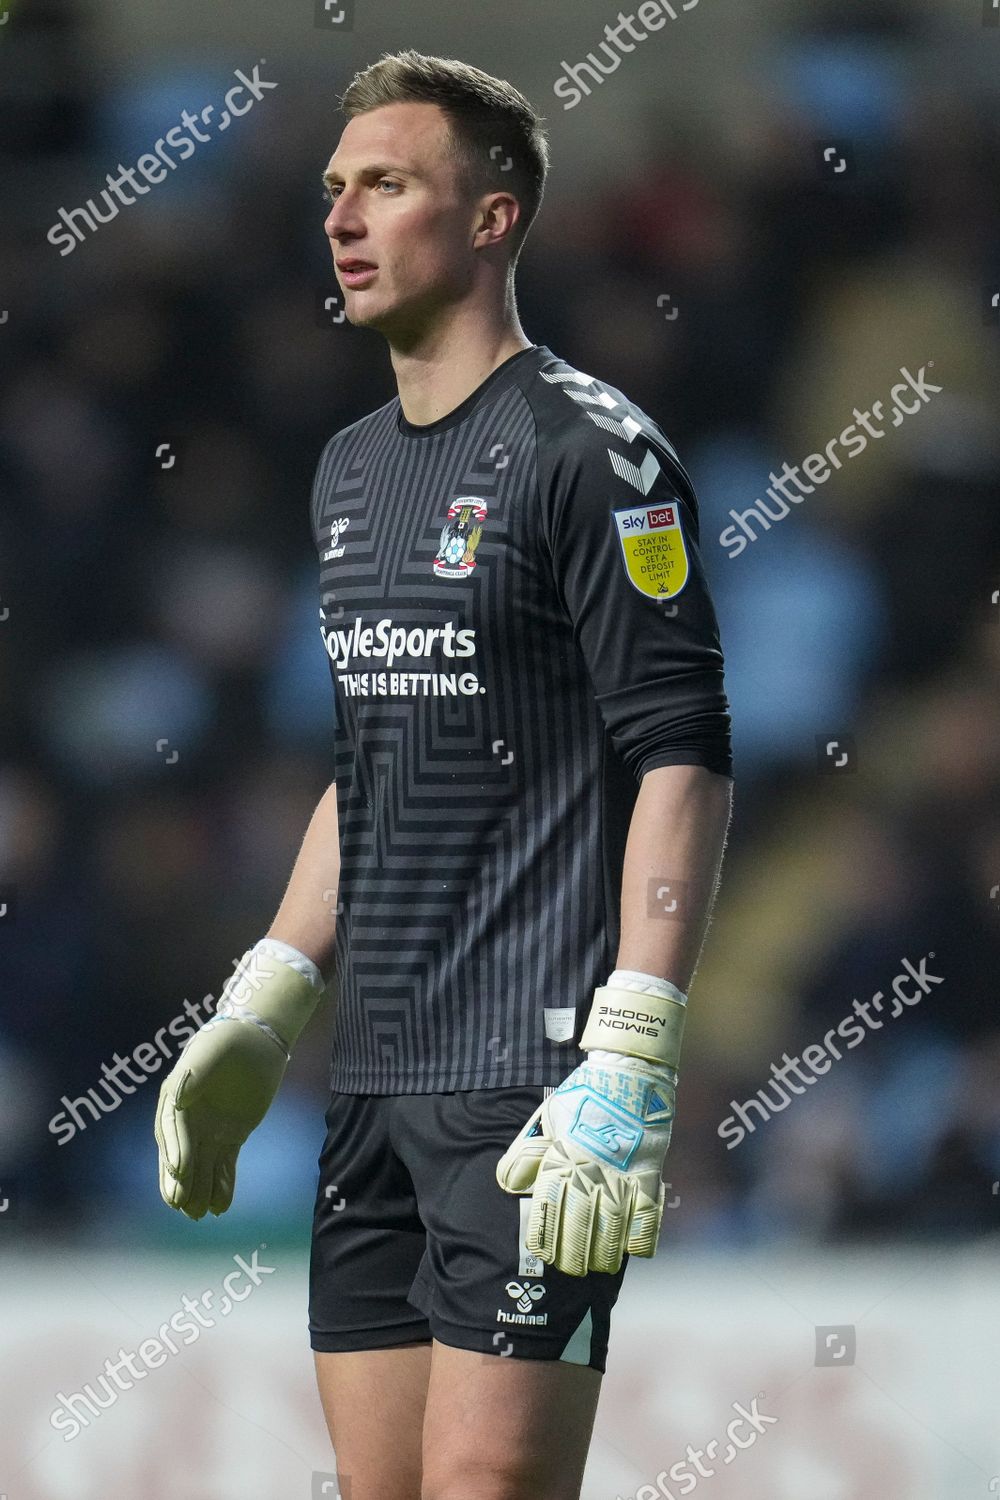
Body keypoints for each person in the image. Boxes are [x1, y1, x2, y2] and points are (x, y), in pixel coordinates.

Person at [154, 48, 733, 1500]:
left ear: (492, 219)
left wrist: (637, 1042)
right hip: (376, 1084)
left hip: (532, 1091)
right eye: (334, 189)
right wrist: (270, 993)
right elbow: (374, 756)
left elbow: (682, 750)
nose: (342, 218)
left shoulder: (591, 453)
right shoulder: (348, 468)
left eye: (388, 185)